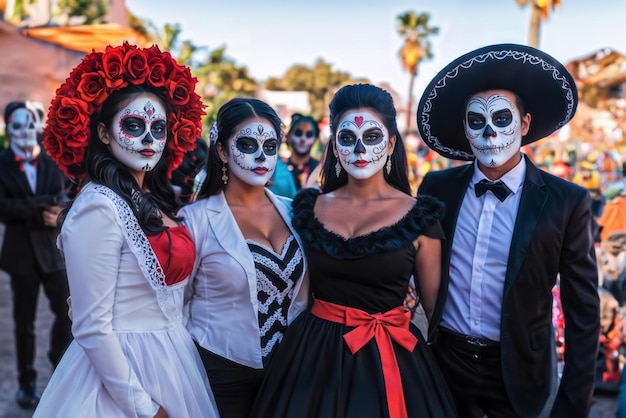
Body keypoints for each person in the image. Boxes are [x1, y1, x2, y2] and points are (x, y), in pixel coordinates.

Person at [32, 42, 219, 418]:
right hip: (117, 381)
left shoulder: (156, 199)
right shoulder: (97, 207)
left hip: (173, 361)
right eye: (134, 125)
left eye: (158, 127)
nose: (149, 139)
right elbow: (91, 327)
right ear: (103, 133)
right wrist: (144, 408)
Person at [249, 83, 457, 418]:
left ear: (391, 144)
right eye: (347, 138)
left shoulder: (420, 219)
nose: (359, 148)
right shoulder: (307, 209)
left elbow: (436, 315)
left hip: (393, 362)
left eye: (372, 137)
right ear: (334, 145)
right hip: (312, 360)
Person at [416, 43, 600, 417]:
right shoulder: (437, 190)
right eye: (476, 121)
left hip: (520, 372)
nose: (489, 131)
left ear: (525, 124)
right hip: (444, 364)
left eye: (502, 118)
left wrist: (573, 403)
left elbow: (583, 312)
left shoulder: (567, 202)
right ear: (465, 131)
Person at [180, 97, 309, 417]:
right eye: (248, 144)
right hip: (218, 373)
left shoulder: (296, 212)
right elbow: (173, 306)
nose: (261, 156)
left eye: (270, 146)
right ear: (222, 151)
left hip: (287, 374)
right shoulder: (194, 219)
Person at [0, 101, 73, 409]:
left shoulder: (55, 159)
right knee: (24, 322)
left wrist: (59, 211)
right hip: (21, 256)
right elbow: (4, 208)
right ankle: (26, 383)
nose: (26, 131)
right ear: (7, 129)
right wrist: (44, 203)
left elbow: (69, 195)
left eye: (30, 124)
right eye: (18, 126)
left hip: (54, 253)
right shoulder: (1, 164)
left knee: (69, 315)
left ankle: (60, 368)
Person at [284, 113, 320, 190]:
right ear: (289, 137)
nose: (303, 139)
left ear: (315, 139)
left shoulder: (320, 170)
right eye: (298, 133)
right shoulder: (279, 168)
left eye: (309, 134)